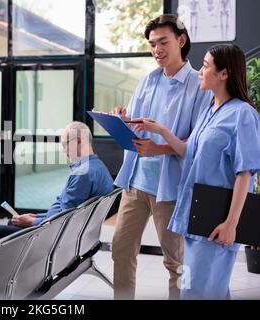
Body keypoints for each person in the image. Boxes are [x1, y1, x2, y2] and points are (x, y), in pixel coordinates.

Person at [134, 44, 260, 299]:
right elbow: (187, 150)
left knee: (200, 290)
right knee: (203, 288)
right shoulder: (209, 111)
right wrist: (160, 131)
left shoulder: (243, 114)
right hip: (196, 215)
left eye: (205, 65)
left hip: (218, 220)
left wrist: (231, 224)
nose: (200, 72)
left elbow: (245, 173)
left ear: (224, 74)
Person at [109, 14, 212, 300]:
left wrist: (162, 148)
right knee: (120, 249)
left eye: (163, 42)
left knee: (175, 261)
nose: (157, 50)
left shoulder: (198, 85)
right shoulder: (148, 81)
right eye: (153, 44)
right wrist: (122, 118)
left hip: (169, 189)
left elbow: (199, 142)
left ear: (181, 40)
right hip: (136, 182)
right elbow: (135, 124)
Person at [0, 122, 114, 249]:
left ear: (78, 141)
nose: (64, 150)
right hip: (73, 233)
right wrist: (37, 218)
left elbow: (63, 219)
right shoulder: (99, 167)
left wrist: (33, 222)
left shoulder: (82, 174)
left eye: (65, 144)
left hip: (54, 238)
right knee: (13, 222)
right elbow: (67, 210)